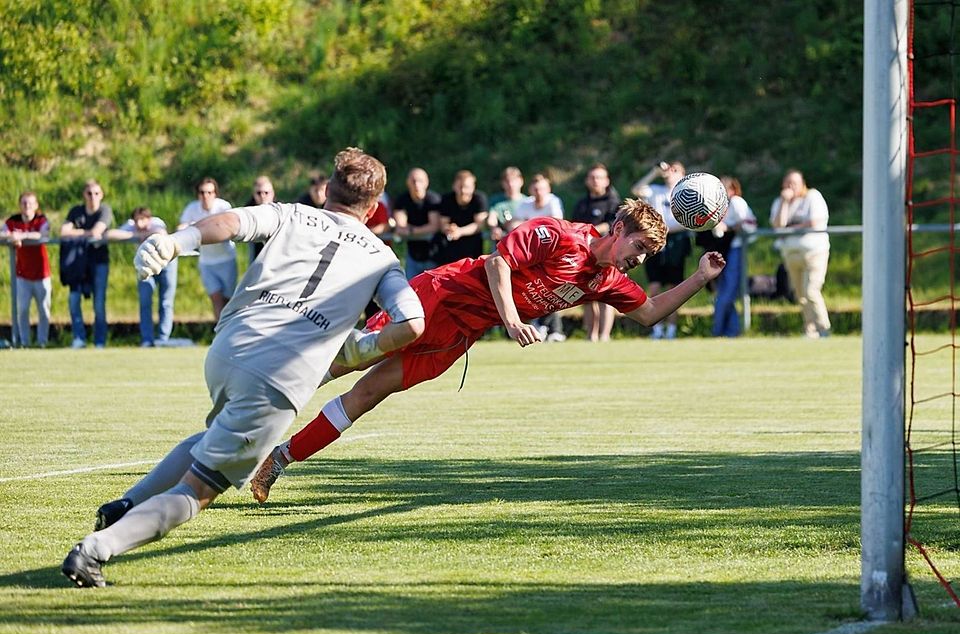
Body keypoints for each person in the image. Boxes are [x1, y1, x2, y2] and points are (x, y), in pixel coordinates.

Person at [61, 147, 425, 589]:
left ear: (328, 190)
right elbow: (412, 321)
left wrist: (175, 242)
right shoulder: (381, 257)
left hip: (229, 347)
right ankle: (95, 550)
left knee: (213, 437)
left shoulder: (292, 213)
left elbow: (231, 223)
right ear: (374, 209)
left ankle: (126, 505)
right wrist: (359, 350)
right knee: (199, 491)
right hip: (279, 375)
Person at [249, 199, 726, 503]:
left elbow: (648, 313)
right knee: (346, 362)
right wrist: (514, 319)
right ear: (619, 229)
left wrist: (701, 278)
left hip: (459, 335)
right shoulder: (558, 234)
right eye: (639, 247)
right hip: (438, 298)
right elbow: (499, 262)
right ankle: (248, 419)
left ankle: (279, 458)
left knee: (368, 394)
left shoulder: (606, 279)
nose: (640, 260)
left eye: (646, 255)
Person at [632, 161, 691, 339]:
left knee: (674, 288)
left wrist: (666, 229)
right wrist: (655, 172)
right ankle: (656, 329)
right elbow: (636, 190)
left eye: (675, 170)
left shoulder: (687, 194)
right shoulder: (656, 190)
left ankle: (671, 330)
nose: (670, 172)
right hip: (655, 242)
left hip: (676, 242)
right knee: (655, 286)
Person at [770, 169, 831, 338]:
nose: (791, 186)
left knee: (811, 291)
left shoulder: (813, 197)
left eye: (794, 183)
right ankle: (810, 330)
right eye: (788, 183)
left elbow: (814, 221)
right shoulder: (780, 202)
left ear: (802, 184)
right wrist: (784, 202)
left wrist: (791, 228)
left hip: (814, 253)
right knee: (800, 295)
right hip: (791, 255)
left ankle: (824, 328)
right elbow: (778, 226)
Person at [109, 207, 182, 347]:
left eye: (143, 220)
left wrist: (146, 234)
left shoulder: (156, 222)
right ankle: (147, 339)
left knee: (166, 301)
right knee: (145, 301)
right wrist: (134, 236)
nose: (140, 223)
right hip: (146, 266)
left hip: (167, 264)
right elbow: (111, 234)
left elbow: (161, 232)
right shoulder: (131, 227)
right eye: (137, 220)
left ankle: (162, 338)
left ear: (149, 218)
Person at [510, 173, 566, 341]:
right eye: (535, 189)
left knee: (552, 289)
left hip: (551, 254)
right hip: (531, 256)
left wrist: (529, 227)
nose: (539, 192)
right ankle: (542, 326)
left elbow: (555, 226)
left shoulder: (553, 202)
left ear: (548, 189)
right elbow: (514, 225)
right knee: (534, 289)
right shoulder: (525, 204)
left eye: (542, 189)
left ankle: (554, 329)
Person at [60, 180, 114, 349]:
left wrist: (76, 234)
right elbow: (63, 232)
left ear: (102, 195)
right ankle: (79, 338)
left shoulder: (105, 210)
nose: (93, 197)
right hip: (77, 263)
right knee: (74, 300)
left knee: (98, 302)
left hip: (99, 262)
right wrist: (86, 234)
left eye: (96, 193)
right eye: (89, 193)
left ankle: (99, 341)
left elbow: (97, 231)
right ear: (84, 195)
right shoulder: (76, 211)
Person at [572, 164, 622, 342]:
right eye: (592, 177)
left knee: (605, 296)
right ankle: (590, 335)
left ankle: (604, 335)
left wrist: (590, 230)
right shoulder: (582, 204)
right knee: (586, 296)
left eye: (599, 177)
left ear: (607, 180)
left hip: (607, 256)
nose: (595, 181)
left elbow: (613, 226)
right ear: (587, 181)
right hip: (584, 255)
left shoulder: (614, 203)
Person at [179, 177, 235, 322]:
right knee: (215, 298)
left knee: (228, 300)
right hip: (206, 262)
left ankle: (228, 331)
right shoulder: (192, 208)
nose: (206, 196)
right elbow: (182, 226)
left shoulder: (223, 207)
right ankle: (219, 332)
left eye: (209, 192)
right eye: (202, 192)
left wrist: (200, 229)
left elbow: (230, 228)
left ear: (215, 193)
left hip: (226, 260)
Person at [706, 177, 757, 337]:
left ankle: (718, 330)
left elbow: (745, 225)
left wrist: (726, 228)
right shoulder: (721, 205)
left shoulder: (736, 201)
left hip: (736, 248)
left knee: (727, 291)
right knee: (723, 291)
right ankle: (731, 330)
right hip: (727, 248)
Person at [1, 191, 51, 347]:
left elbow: (42, 235)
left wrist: (21, 236)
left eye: (30, 203)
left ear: (36, 206)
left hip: (42, 274)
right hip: (22, 275)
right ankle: (24, 343)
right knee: (22, 310)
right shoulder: (13, 221)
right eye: (24, 203)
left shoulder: (41, 220)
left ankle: (42, 342)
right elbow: (3, 233)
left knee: (44, 310)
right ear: (19, 205)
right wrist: (11, 237)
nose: (27, 206)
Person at [393, 167, 442, 279]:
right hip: (413, 256)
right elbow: (401, 227)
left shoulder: (433, 200)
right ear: (407, 182)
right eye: (413, 180)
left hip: (434, 255)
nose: (416, 184)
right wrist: (418, 230)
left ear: (426, 182)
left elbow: (434, 226)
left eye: (420, 180)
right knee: (411, 290)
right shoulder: (402, 200)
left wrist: (411, 230)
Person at [438, 170, 488, 264]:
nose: (463, 191)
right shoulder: (446, 200)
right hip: (450, 250)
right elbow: (443, 223)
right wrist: (449, 228)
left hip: (474, 248)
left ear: (473, 187)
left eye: (466, 187)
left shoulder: (479, 199)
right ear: (454, 186)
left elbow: (480, 225)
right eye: (460, 187)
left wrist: (460, 231)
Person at [487, 167, 525, 242]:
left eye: (514, 180)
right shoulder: (496, 201)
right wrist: (494, 228)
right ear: (503, 183)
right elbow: (492, 218)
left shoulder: (528, 202)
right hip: (503, 240)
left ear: (521, 181)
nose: (511, 184)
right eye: (507, 181)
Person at [245, 175, 276, 262]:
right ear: (254, 194)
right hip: (256, 251)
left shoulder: (280, 208)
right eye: (259, 193)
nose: (262, 196)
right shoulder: (248, 210)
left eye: (266, 192)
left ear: (272, 193)